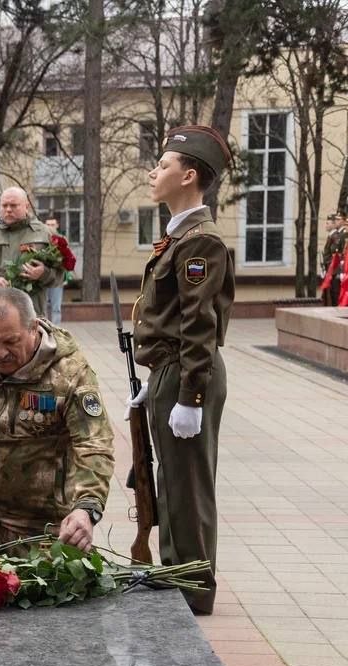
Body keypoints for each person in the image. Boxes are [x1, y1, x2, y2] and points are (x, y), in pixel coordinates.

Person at [128, 125, 235, 615]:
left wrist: (189, 397)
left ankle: (192, 588)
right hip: (169, 372)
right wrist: (154, 385)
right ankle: (176, 571)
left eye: (165, 165)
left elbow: (199, 324)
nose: (155, 172)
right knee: (171, 479)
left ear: (189, 176)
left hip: (188, 372)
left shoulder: (200, 243)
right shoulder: (179, 237)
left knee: (188, 485)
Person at [0, 288, 114, 563]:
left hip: (47, 522)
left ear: (33, 328)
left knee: (59, 582)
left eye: (11, 342)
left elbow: (93, 445)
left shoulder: (71, 375)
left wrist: (86, 508)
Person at [0, 187, 62, 318]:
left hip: (32, 315)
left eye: (14, 205)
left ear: (26, 206)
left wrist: (43, 273)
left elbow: (61, 274)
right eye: (4, 205)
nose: (8, 209)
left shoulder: (45, 234)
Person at [42, 214, 69, 325]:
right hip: (43, 278)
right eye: (48, 224)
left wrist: (66, 277)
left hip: (57, 279)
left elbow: (67, 260)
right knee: (43, 307)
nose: (50, 227)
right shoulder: (41, 239)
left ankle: (56, 332)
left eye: (52, 224)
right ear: (44, 225)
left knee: (56, 308)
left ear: (57, 225)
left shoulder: (62, 240)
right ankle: (44, 330)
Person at [319, 212, 345, 306]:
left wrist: (330, 269)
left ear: (334, 225)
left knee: (334, 294)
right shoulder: (331, 236)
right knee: (329, 294)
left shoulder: (335, 237)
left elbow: (337, 257)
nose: (326, 225)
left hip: (334, 271)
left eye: (328, 223)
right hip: (330, 270)